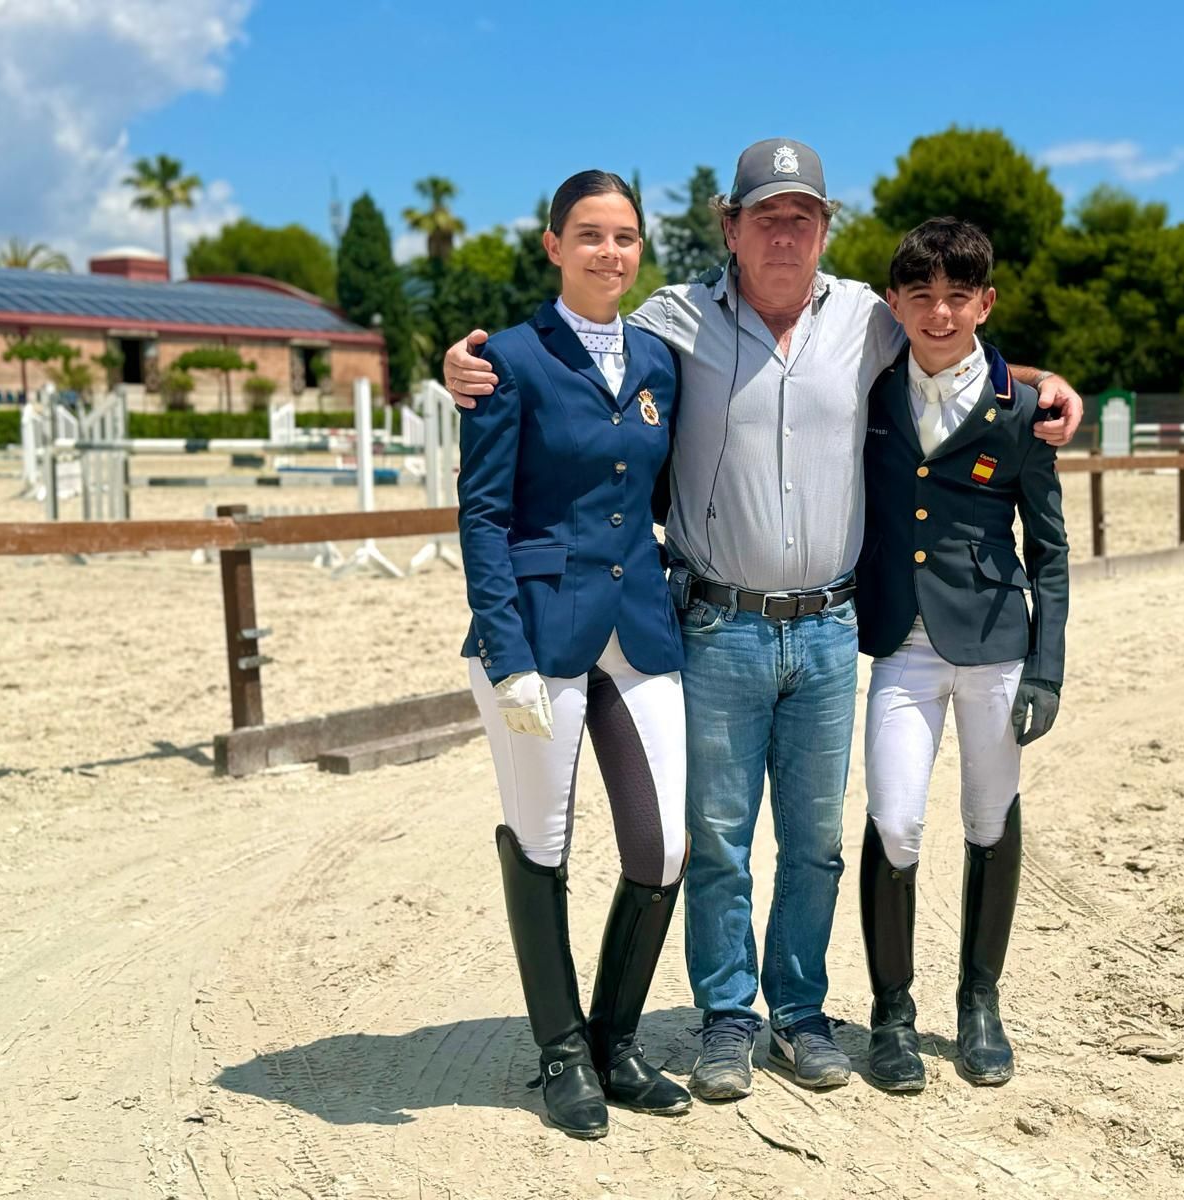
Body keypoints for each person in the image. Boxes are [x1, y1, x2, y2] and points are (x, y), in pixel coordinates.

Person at [445, 139, 1085, 1100]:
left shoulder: (870, 316)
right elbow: (574, 339)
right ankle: (727, 1017)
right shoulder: (674, 320)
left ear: (826, 228)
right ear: (731, 227)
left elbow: (950, 345)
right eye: (765, 216)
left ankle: (801, 1013)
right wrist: (463, 358)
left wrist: (1045, 384)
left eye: (804, 216)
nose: (785, 233)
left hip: (830, 626)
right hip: (714, 623)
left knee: (818, 841)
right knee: (717, 836)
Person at [457, 170, 690, 1139]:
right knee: (543, 840)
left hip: (637, 628)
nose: (610, 253)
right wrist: (506, 654)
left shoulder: (661, 360)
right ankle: (560, 1054)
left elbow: (660, 493)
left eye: (626, 236)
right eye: (589, 235)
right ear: (552, 246)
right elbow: (482, 512)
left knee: (663, 846)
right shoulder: (506, 360)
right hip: (538, 637)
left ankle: (615, 1040)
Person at [853, 217, 1069, 1092]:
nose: (938, 314)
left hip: (993, 646)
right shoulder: (870, 390)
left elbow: (1049, 547)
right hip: (901, 646)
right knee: (895, 819)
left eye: (957, 297)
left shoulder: (1021, 410)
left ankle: (980, 1003)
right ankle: (892, 1014)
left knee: (988, 820)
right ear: (895, 302)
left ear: (986, 303)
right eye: (921, 296)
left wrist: (1048, 669)